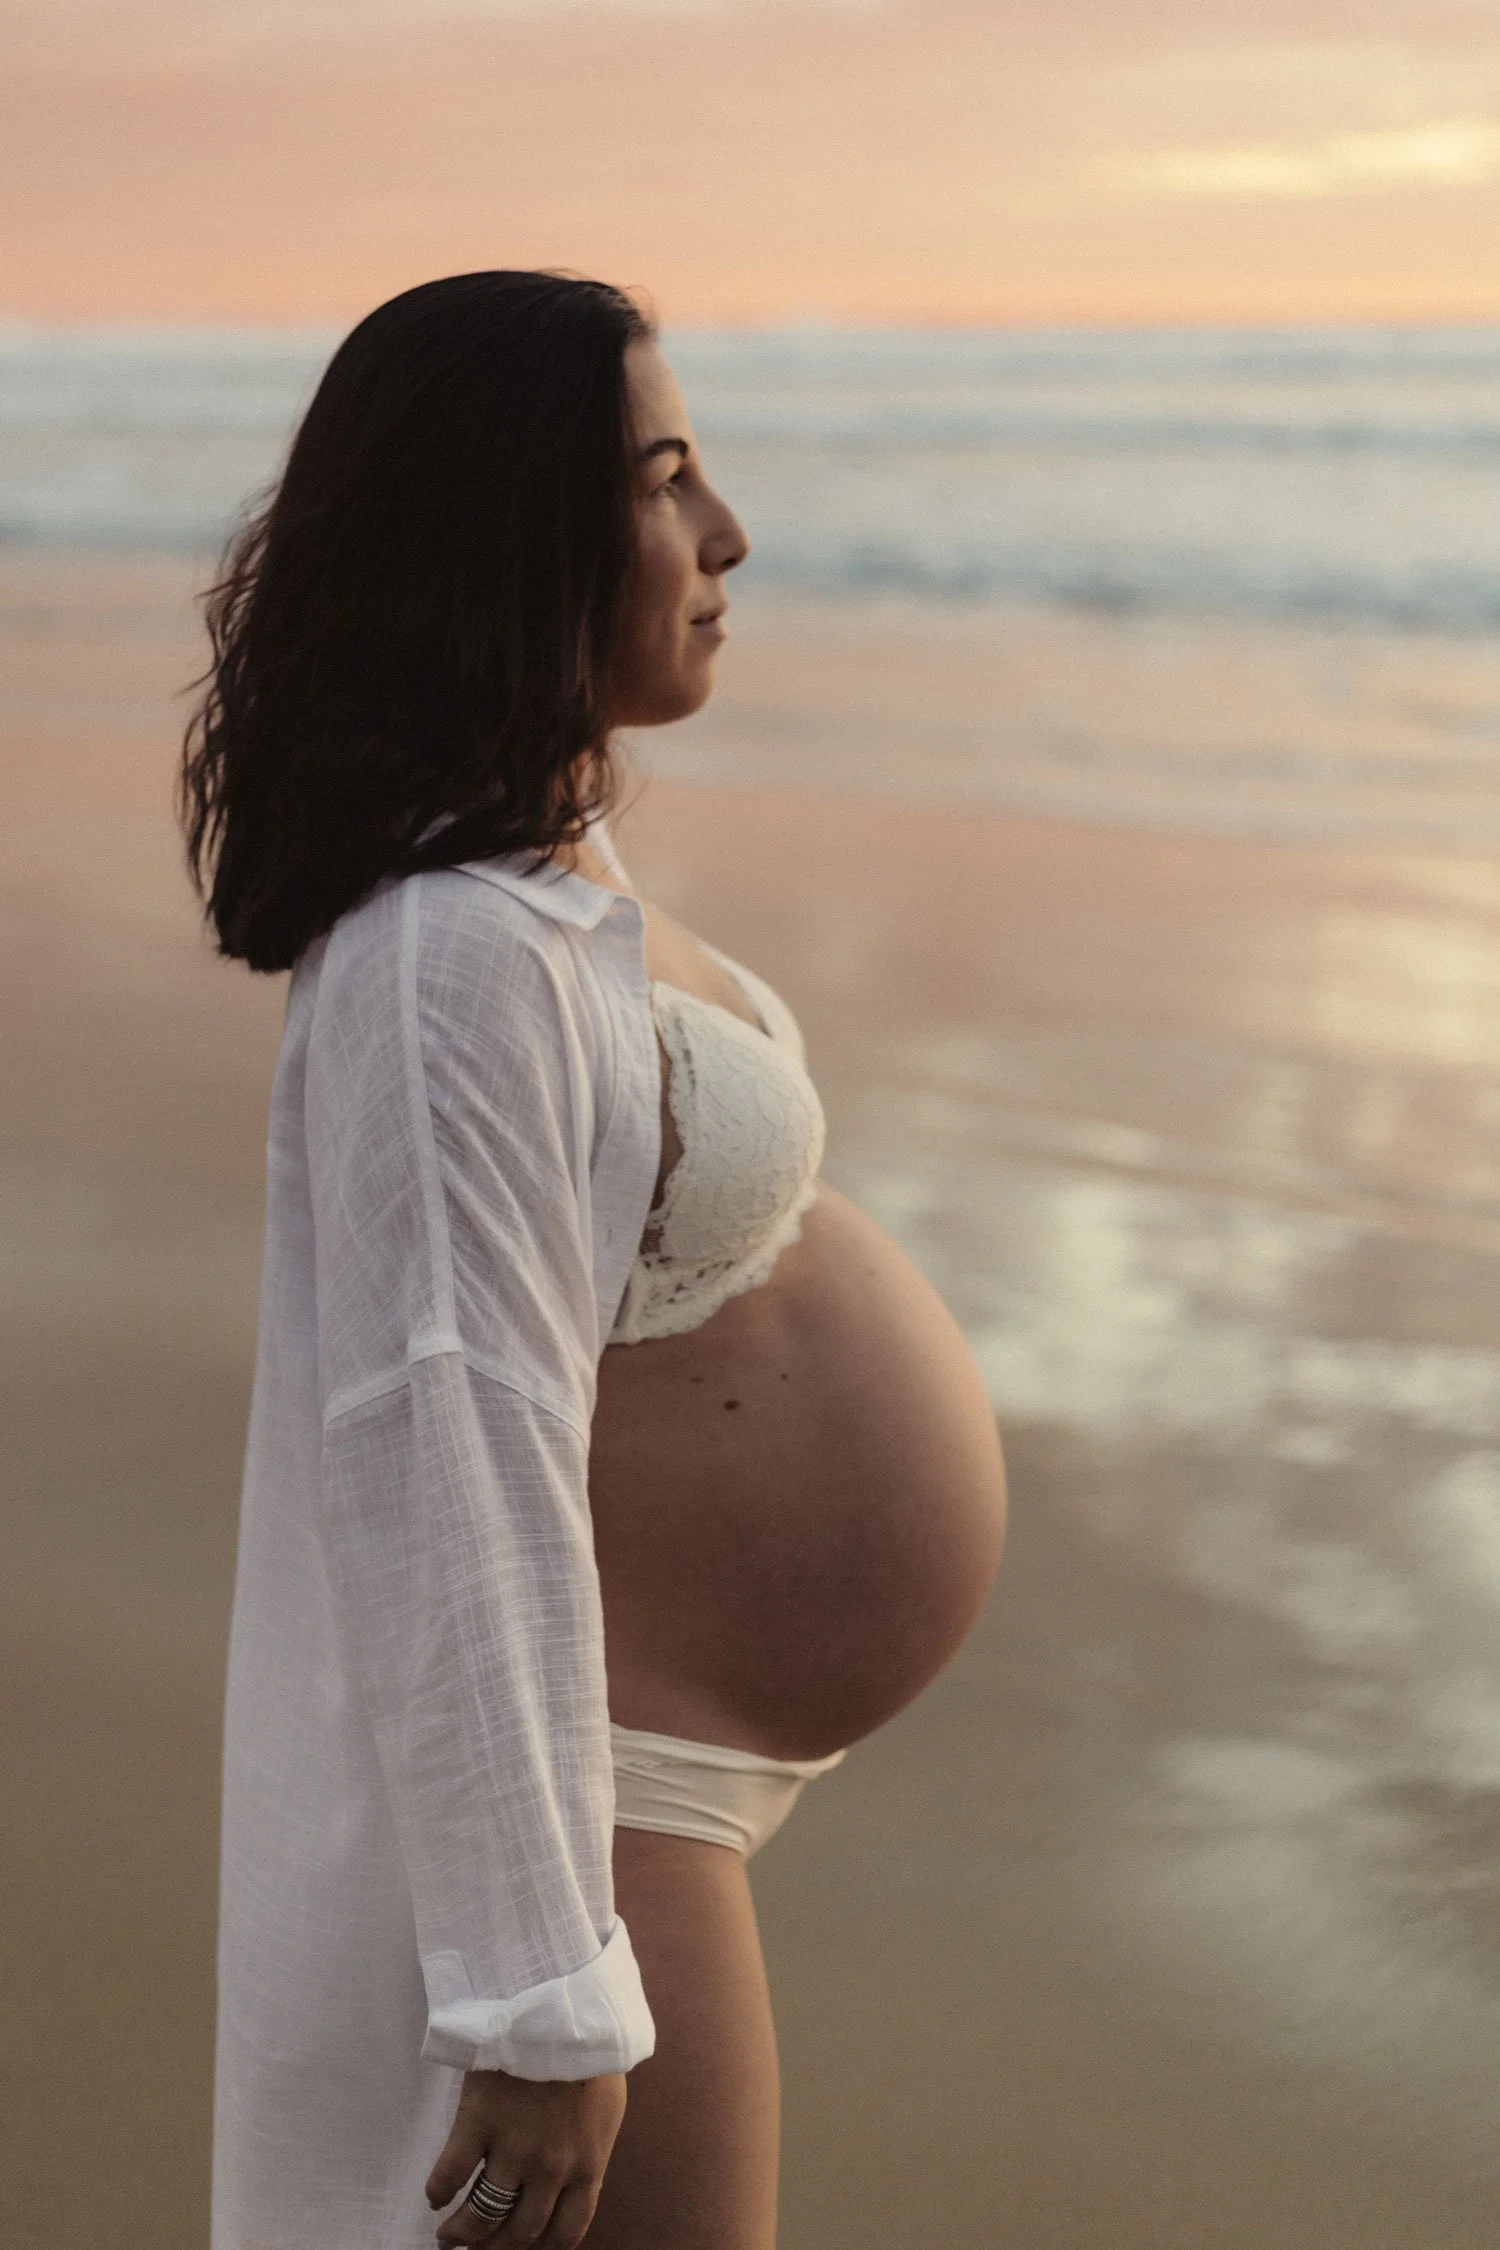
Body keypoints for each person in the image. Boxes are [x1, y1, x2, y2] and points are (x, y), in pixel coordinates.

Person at [181, 269, 1008, 2250]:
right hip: (598, 1809)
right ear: (515, 536)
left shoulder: (547, 869)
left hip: (650, 1777)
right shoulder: (445, 964)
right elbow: (445, 1449)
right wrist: (540, 2002)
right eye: (664, 480)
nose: (726, 536)